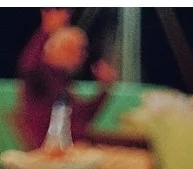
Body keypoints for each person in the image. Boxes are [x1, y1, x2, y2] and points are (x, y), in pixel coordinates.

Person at [16, 8, 117, 151]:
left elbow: (83, 116)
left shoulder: (62, 81)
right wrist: (45, 31)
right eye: (77, 49)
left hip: (75, 146)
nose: (82, 55)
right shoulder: (40, 75)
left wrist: (105, 88)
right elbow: (28, 66)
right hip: (57, 151)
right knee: (136, 165)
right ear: (59, 50)